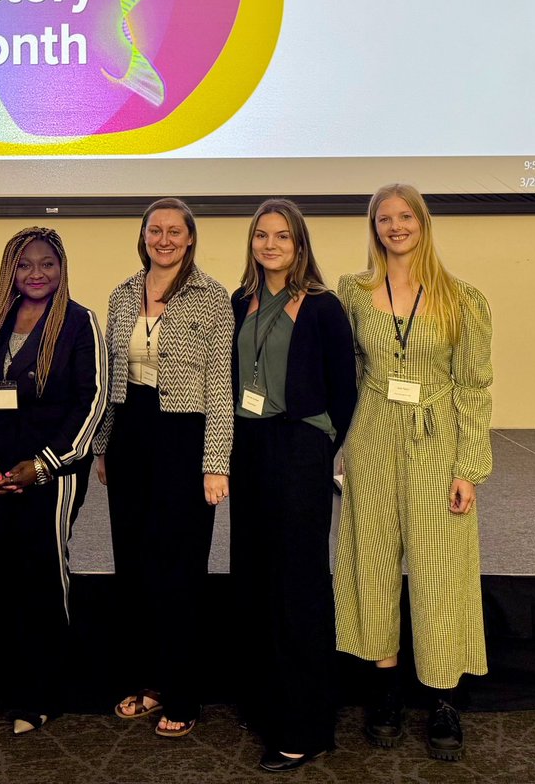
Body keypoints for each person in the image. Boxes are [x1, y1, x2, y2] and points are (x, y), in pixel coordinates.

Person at [335, 184, 493, 762]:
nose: (396, 226)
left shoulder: (461, 299)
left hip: (436, 444)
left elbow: (474, 388)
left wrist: (469, 469)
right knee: (374, 561)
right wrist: (342, 445)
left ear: (423, 224)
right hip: (373, 440)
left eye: (406, 217)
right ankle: (386, 690)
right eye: (385, 218)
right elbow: (348, 372)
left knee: (436, 569)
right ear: (373, 226)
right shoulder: (354, 294)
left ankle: (444, 697)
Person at [0, 227, 107, 734]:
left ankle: (38, 693)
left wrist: (42, 465)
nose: (36, 274)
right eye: (24, 265)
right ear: (9, 271)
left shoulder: (81, 324)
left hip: (50, 474)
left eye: (47, 264)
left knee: (38, 577)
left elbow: (93, 404)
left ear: (62, 269)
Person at [92, 197, 234, 738]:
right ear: (144, 235)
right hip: (130, 435)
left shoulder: (212, 297)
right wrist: (104, 445)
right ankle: (145, 681)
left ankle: (182, 693)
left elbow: (220, 387)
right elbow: (111, 380)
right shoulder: (123, 294)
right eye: (156, 230)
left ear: (191, 238)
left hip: (185, 437)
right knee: (134, 565)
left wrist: (216, 463)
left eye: (176, 231)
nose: (165, 239)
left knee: (180, 569)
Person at [229, 199, 357, 772]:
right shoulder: (241, 301)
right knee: (253, 574)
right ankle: (264, 701)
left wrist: (317, 445)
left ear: (300, 244)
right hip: (249, 450)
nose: (271, 244)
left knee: (296, 583)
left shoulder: (324, 307)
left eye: (283, 236)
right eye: (262, 235)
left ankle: (303, 725)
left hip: (299, 450)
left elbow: (344, 390)